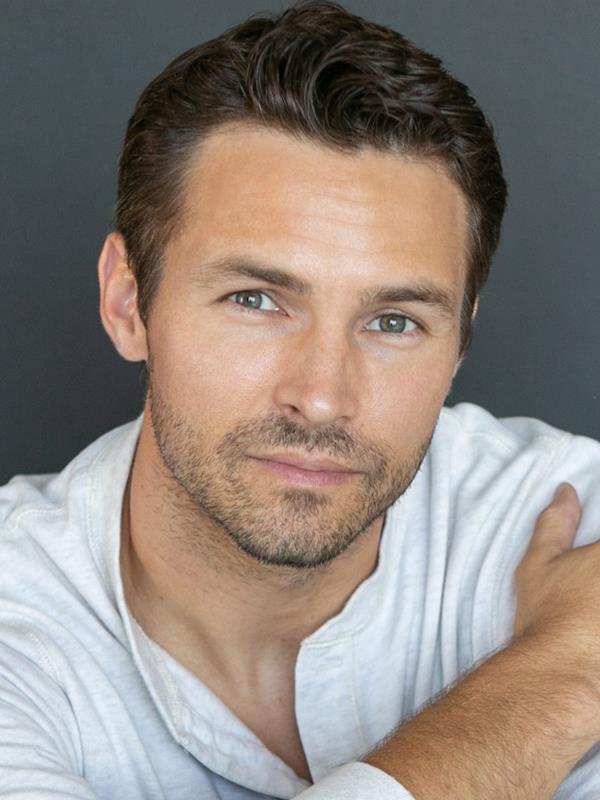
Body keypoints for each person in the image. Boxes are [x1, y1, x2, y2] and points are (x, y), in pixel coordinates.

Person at [1, 1, 599, 798]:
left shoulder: (569, 526)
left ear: (460, 340)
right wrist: (564, 674)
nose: (320, 399)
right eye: (256, 300)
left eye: (394, 321)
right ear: (127, 302)